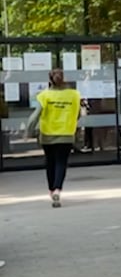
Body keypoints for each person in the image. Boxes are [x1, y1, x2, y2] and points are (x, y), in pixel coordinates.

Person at [28, 68, 81, 208]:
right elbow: (79, 113)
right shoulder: (74, 95)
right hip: (66, 134)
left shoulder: (44, 95)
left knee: (50, 162)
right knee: (61, 162)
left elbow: (35, 116)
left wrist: (29, 131)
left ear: (50, 80)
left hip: (47, 135)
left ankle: (52, 190)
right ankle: (58, 188)